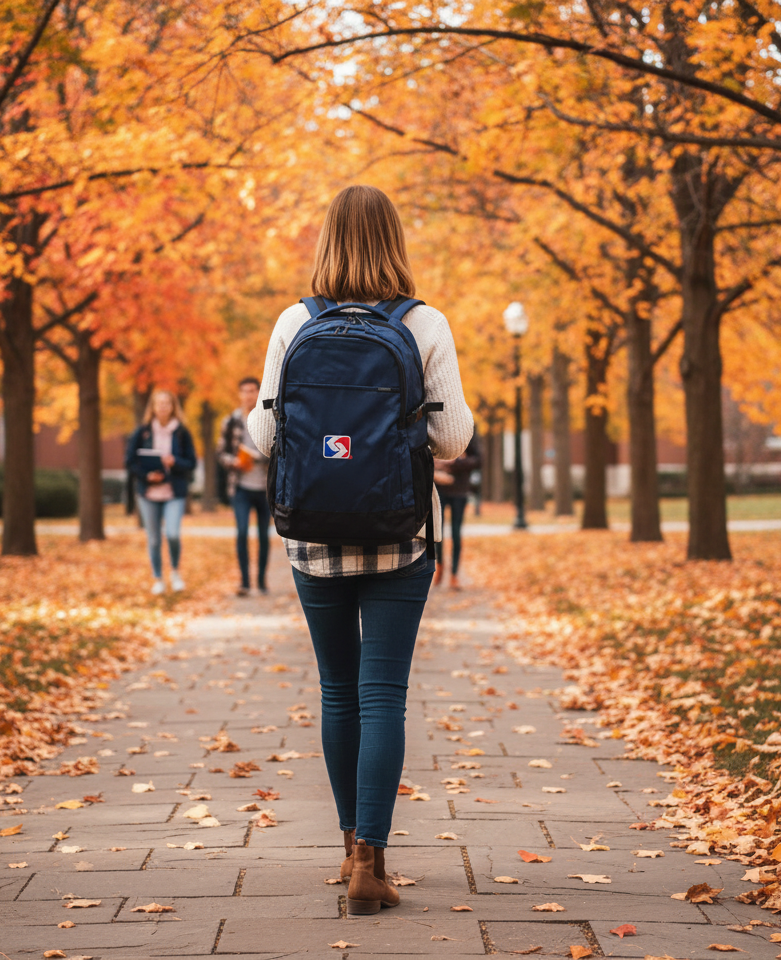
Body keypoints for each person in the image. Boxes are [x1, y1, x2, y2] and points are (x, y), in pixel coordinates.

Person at [248, 185, 474, 914]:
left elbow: (261, 435)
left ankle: (348, 845)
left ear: (326, 240)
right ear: (394, 241)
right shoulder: (423, 323)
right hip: (400, 535)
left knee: (337, 690)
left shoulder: (294, 321)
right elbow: (454, 439)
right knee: (383, 693)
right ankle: (372, 861)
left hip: (312, 539)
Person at [126, 390, 197, 595]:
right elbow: (130, 462)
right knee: (154, 539)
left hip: (174, 492)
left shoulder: (182, 432)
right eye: (159, 403)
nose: (163, 407)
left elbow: (191, 462)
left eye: (167, 403)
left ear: (173, 406)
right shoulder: (142, 432)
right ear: (153, 407)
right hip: (148, 493)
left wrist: (175, 462)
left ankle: (175, 573)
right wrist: (146, 476)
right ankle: (158, 578)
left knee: (173, 535)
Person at [219, 377, 270, 597]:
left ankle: (261, 581)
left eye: (252, 391)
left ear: (258, 393)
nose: (248, 395)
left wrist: (258, 458)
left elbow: (277, 451)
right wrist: (234, 462)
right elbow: (221, 453)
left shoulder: (268, 419)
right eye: (244, 391)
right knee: (241, 533)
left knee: (263, 536)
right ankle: (245, 582)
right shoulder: (230, 421)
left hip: (265, 488)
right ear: (239, 394)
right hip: (240, 487)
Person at [432, 427, 481, 590]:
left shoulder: (469, 428)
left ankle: (454, 574)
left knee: (455, 533)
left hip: (459, 490)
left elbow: (478, 459)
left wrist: (454, 463)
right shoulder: (437, 425)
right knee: (437, 532)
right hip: (439, 488)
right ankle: (439, 567)